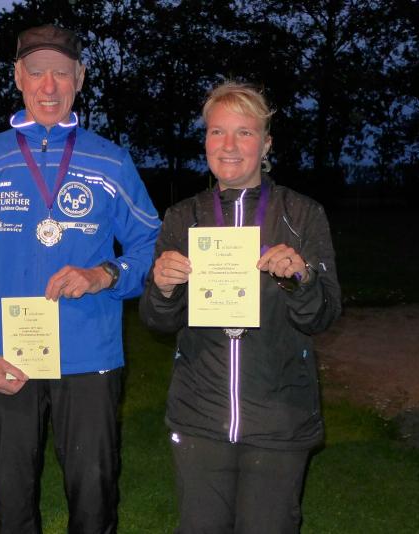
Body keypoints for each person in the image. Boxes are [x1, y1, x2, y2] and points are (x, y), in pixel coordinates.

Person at [0, 24, 160, 533]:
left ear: (79, 78)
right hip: (7, 357)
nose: (48, 86)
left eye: (61, 73)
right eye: (37, 72)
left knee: (93, 494)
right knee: (11, 498)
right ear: (18, 76)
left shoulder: (110, 161)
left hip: (90, 356)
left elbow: (152, 245)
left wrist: (106, 274)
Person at [139, 81, 341, 533]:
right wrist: (163, 287)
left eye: (244, 132)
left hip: (279, 417)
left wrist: (301, 280)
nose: (228, 145)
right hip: (200, 416)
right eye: (217, 131)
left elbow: (324, 315)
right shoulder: (182, 217)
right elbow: (157, 322)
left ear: (266, 144)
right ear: (206, 141)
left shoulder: (301, 214)